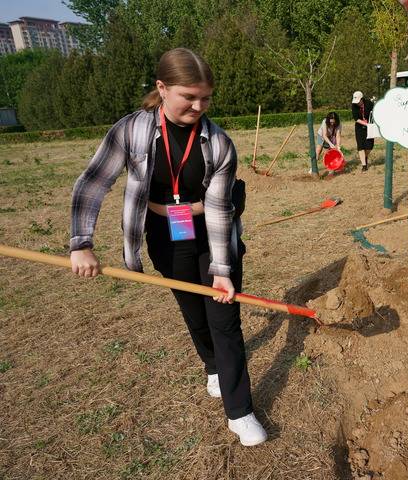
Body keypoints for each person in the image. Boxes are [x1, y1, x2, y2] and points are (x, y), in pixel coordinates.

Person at [69, 48, 267, 446]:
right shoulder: (131, 131)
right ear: (162, 89)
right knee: (192, 310)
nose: (199, 106)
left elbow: (217, 209)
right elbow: (94, 182)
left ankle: (240, 411)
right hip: (164, 232)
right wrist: (81, 243)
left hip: (211, 231)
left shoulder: (219, 143)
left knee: (224, 320)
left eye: (205, 98)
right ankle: (212, 366)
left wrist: (223, 272)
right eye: (189, 97)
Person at [351, 91, 374, 171]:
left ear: (362, 99)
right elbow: (356, 118)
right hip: (359, 127)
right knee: (360, 146)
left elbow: (374, 113)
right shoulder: (354, 106)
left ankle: (365, 156)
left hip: (370, 127)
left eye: (358, 101)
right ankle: (364, 165)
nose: (357, 103)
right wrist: (365, 123)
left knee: (369, 146)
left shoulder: (369, 104)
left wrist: (370, 124)